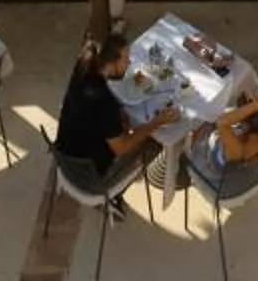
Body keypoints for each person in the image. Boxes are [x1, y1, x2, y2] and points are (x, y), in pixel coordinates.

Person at [55, 30, 177, 195]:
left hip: (65, 157)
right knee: (156, 142)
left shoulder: (83, 66)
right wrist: (156, 123)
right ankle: (116, 195)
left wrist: (120, 119)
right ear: (112, 63)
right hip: (90, 178)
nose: (129, 63)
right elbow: (122, 148)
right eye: (126, 59)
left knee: (129, 125)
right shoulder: (104, 101)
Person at [194, 80, 258, 172]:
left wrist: (255, 106)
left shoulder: (240, 151)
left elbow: (222, 123)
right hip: (232, 134)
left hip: (218, 165)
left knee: (196, 124)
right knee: (225, 111)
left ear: (245, 122)